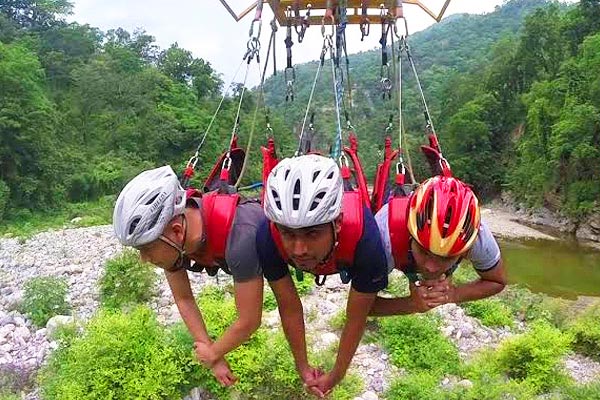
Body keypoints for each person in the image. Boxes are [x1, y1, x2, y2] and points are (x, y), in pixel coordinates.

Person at [113, 165, 265, 386]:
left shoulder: (240, 237)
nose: (144, 260)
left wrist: (212, 353)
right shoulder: (172, 241)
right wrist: (214, 357)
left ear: (177, 231)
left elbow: (249, 320)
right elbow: (184, 299)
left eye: (146, 250)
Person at [257, 154, 388, 397]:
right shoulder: (267, 237)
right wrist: (302, 366)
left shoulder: (366, 240)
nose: (299, 250)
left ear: (337, 223)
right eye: (288, 234)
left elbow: (356, 317)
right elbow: (290, 308)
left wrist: (336, 375)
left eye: (312, 234)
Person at [370, 175, 507, 316]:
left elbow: (497, 281)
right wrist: (410, 304)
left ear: (466, 251)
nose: (431, 267)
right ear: (410, 234)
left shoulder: (477, 239)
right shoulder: (383, 233)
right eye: (423, 251)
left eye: (446, 258)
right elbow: (360, 309)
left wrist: (453, 294)